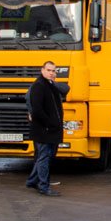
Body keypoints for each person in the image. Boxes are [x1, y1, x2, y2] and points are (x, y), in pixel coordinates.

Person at [26, 61, 66, 197]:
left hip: (51, 129)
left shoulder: (50, 85)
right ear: (42, 70)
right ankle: (43, 186)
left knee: (44, 157)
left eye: (54, 71)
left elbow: (66, 89)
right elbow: (37, 110)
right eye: (49, 70)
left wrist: (53, 82)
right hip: (44, 130)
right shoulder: (38, 86)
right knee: (44, 158)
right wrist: (50, 124)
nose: (52, 73)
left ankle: (32, 181)